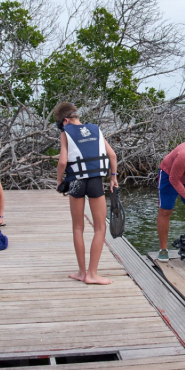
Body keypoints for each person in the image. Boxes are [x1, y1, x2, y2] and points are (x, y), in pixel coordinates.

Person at [54, 102, 118, 285]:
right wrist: (113, 177)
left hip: (75, 182)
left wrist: (59, 181)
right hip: (95, 181)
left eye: (60, 124)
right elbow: (112, 155)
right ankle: (93, 273)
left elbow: (62, 162)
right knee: (100, 227)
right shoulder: (96, 130)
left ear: (65, 120)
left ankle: (82, 272)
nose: (61, 128)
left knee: (77, 227)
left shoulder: (65, 134)